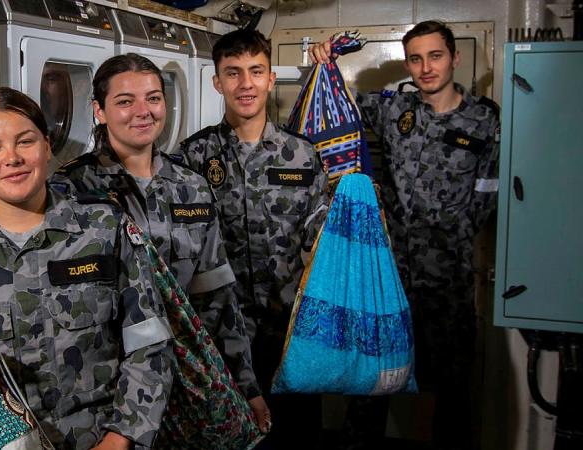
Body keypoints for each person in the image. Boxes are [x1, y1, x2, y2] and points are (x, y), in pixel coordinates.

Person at [0, 87, 173, 450]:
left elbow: (150, 342)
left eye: (25, 141)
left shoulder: (103, 229)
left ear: (47, 147)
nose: (11, 158)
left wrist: (122, 436)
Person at [51, 53, 271, 434]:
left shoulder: (191, 187)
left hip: (184, 381)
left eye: (153, 98)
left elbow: (217, 298)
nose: (143, 111)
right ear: (99, 111)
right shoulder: (69, 191)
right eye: (125, 101)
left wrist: (246, 384)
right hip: (108, 391)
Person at [310, 20, 500, 449]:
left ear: (455, 57)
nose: (426, 67)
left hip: (447, 281)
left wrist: (455, 234)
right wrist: (324, 65)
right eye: (416, 58)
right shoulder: (393, 109)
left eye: (435, 56)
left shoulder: (483, 119)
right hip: (388, 277)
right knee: (372, 382)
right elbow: (337, 112)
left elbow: (489, 190)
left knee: (452, 390)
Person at [173, 30, 330, 448]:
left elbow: (320, 241)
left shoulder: (301, 155)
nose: (246, 84)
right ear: (217, 82)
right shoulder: (192, 158)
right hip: (222, 330)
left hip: (289, 329)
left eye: (256, 71)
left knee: (297, 434)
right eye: (234, 73)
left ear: (271, 78)